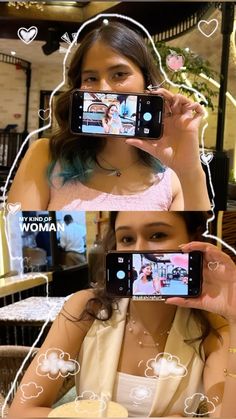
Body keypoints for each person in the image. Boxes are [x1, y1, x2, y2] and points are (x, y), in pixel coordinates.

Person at [8, 211, 236, 417]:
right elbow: (22, 411)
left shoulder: (212, 329)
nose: (139, 250)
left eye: (158, 235)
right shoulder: (86, 309)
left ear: (192, 241)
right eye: (127, 239)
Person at [8, 21, 210, 211]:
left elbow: (192, 243)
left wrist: (190, 172)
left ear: (146, 82)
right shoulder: (46, 155)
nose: (104, 88)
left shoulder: (172, 179)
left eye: (119, 74)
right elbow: (14, 238)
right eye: (91, 78)